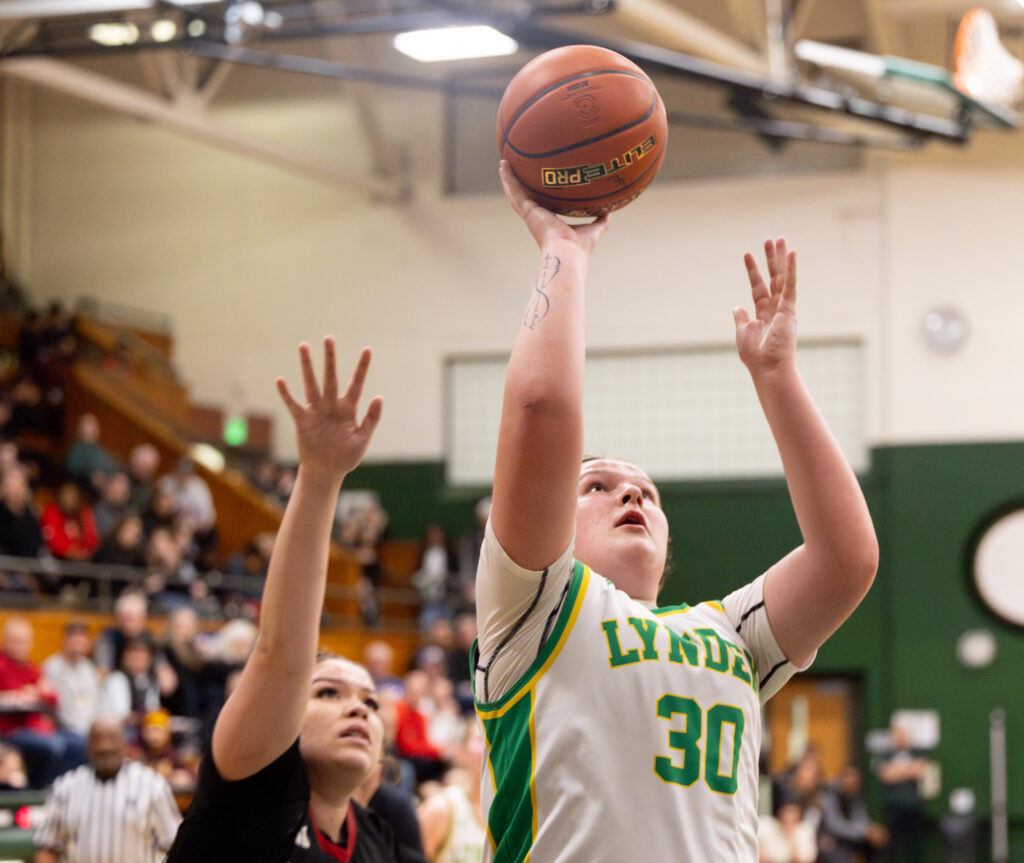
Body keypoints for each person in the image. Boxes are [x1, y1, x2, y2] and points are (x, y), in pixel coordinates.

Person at [471, 163, 880, 861]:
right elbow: (541, 409)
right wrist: (565, 250)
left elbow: (847, 560)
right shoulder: (535, 607)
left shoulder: (730, 633)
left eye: (647, 493)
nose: (631, 493)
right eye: (596, 485)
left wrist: (777, 376)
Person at [166, 338, 400, 862]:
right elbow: (281, 654)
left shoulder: (377, 836)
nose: (358, 710)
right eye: (327, 694)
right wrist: (319, 478)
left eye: (369, 702)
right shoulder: (247, 803)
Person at [33, 717, 181, 863]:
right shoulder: (65, 787)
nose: (104, 746)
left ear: (125, 744)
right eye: (97, 740)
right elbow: (48, 848)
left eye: (112, 739)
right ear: (87, 746)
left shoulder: (152, 786)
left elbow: (175, 845)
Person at [0, 616, 86, 787]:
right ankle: (39, 790)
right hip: (10, 730)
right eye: (15, 641)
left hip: (37, 728)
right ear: (5, 641)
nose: (19, 646)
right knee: (54, 746)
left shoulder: (32, 668)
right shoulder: (2, 665)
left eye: (23, 642)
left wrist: (35, 693)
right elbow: (17, 695)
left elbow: (53, 697)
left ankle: (58, 786)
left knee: (81, 744)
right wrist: (21, 694)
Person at [874, 720, 930, 863]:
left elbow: (921, 771)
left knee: (915, 847)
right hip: (893, 808)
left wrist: (897, 770)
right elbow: (886, 776)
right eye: (897, 733)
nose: (900, 737)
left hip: (914, 807)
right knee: (892, 847)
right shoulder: (886, 753)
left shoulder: (917, 752)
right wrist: (909, 769)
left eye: (903, 733)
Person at [817, 764, 889, 863]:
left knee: (874, 843)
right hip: (828, 838)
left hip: (847, 837)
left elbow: (861, 819)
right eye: (850, 783)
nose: (853, 786)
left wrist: (871, 830)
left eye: (856, 784)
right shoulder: (829, 793)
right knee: (840, 856)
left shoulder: (854, 795)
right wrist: (864, 831)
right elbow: (834, 825)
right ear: (842, 779)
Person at [41, 621, 100, 738]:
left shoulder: (89, 669)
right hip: (62, 728)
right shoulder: (52, 667)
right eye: (75, 640)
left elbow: (94, 703)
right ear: (65, 640)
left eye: (82, 640)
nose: (78, 644)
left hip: (89, 729)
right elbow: (48, 707)